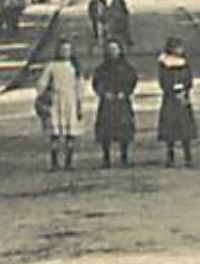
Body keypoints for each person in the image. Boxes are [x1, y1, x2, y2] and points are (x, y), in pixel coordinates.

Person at [35, 38, 83, 170]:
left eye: (68, 50)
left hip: (70, 101)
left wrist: (79, 104)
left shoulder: (74, 67)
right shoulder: (51, 66)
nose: (65, 52)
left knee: (70, 133)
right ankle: (54, 162)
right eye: (63, 50)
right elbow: (41, 84)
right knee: (54, 133)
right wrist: (44, 95)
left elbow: (79, 86)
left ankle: (69, 162)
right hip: (55, 101)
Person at [92, 39, 138, 168]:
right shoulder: (101, 68)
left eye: (115, 49)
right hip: (107, 102)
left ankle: (124, 156)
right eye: (110, 49)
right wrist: (103, 93)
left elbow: (132, 80)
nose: (113, 52)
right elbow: (96, 83)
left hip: (122, 101)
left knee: (124, 129)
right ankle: (106, 157)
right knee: (105, 130)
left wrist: (125, 92)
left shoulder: (126, 67)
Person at [156, 36, 197, 168]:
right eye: (177, 47)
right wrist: (172, 88)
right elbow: (163, 80)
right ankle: (170, 156)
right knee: (170, 129)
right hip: (170, 98)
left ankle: (188, 156)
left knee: (185, 128)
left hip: (183, 97)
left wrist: (185, 88)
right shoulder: (164, 62)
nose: (179, 50)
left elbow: (189, 78)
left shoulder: (185, 62)